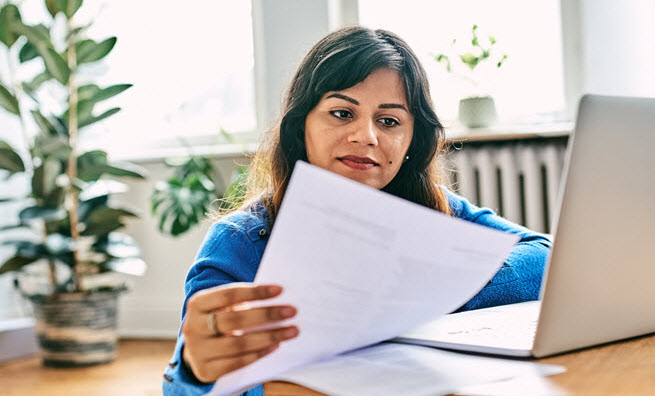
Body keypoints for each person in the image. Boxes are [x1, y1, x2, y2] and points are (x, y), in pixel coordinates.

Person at [161, 26, 551, 396]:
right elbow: (183, 390)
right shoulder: (241, 241)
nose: (366, 136)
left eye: (389, 121)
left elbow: (547, 255)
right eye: (342, 113)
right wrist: (195, 368)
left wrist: (436, 289)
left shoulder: (436, 210)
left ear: (413, 139)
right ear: (302, 126)